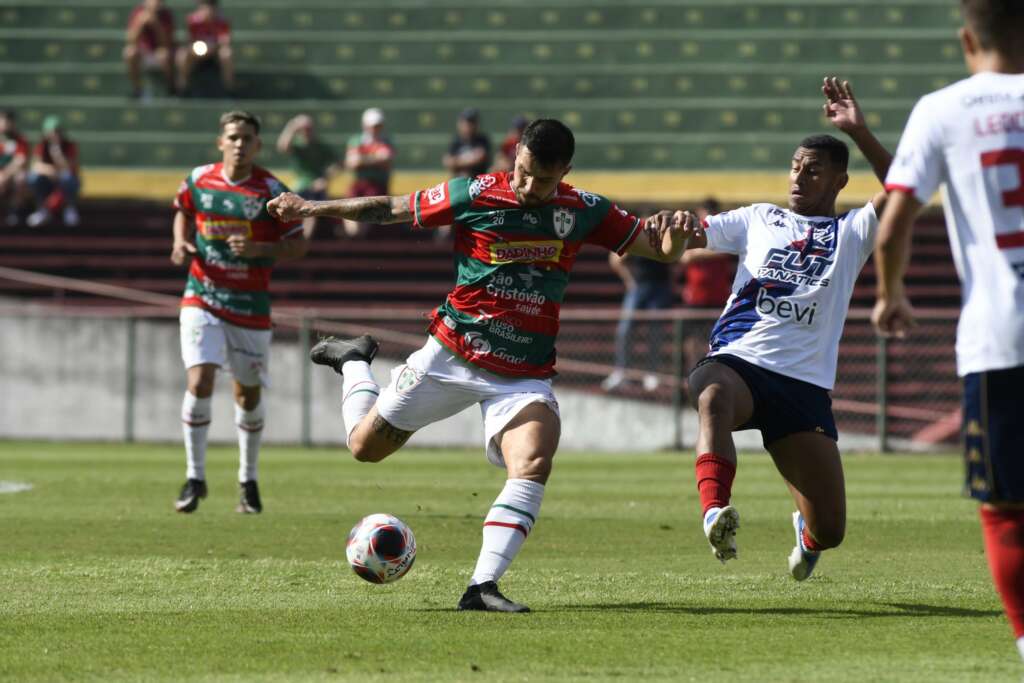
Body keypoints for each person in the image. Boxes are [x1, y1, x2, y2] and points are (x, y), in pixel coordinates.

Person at [266, 119, 698, 611]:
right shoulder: (474, 193)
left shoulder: (583, 210)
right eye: (524, 172)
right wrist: (310, 207)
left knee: (534, 461)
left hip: (523, 375)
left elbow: (658, 250)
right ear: (515, 156)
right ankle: (353, 363)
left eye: (544, 180)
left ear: (566, 172)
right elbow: (391, 207)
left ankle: (481, 588)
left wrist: (677, 236)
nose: (530, 187)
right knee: (364, 448)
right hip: (452, 354)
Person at [687, 77, 892, 581]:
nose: (799, 177)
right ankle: (715, 511)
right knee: (712, 393)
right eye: (796, 167)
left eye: (814, 169)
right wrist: (656, 231)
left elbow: (904, 184)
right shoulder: (760, 218)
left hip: (802, 385)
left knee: (832, 530)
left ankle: (807, 531)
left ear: (840, 181)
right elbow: (694, 235)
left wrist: (860, 131)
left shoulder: (852, 232)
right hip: (740, 361)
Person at [872, 0, 1024, 662]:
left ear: (967, 39)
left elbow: (893, 225)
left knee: (1006, 507)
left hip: (1000, 337)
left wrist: (890, 294)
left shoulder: (943, 109)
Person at [169, 110, 308, 515]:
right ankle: (195, 478)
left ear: (257, 145)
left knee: (246, 394)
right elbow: (182, 210)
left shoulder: (272, 190)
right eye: (232, 137)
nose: (239, 144)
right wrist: (180, 244)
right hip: (203, 296)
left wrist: (262, 249)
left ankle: (248, 480)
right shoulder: (199, 179)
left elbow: (299, 245)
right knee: (200, 379)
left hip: (249, 306)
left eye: (247, 138)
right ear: (220, 142)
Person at [602, 241, 676, 392]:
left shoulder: (665, 238)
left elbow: (677, 260)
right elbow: (616, 260)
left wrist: (672, 281)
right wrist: (629, 280)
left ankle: (653, 373)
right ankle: (622, 372)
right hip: (639, 287)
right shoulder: (637, 237)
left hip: (659, 288)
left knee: (656, 330)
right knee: (625, 329)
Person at [679, 198, 737, 373]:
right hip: (696, 298)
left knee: (716, 340)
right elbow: (685, 257)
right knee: (692, 340)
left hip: (718, 298)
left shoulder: (725, 234)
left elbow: (728, 251)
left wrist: (700, 253)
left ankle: (710, 372)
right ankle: (691, 372)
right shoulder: (692, 234)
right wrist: (711, 251)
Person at [276, 114, 340, 238]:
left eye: (309, 128)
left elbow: (338, 164)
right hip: (301, 186)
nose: (307, 132)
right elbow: (283, 147)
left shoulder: (321, 146)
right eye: (304, 129)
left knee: (312, 212)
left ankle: (304, 242)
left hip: (317, 188)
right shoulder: (298, 145)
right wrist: (292, 127)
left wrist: (325, 178)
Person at [341, 107, 394, 237]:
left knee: (370, 203)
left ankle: (359, 236)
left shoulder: (385, 141)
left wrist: (362, 159)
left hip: (377, 186)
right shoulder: (356, 140)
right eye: (373, 126)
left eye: (378, 126)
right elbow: (351, 163)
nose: (375, 129)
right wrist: (375, 158)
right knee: (347, 203)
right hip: (359, 185)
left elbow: (386, 160)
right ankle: (354, 235)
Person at [26, 116, 81, 228]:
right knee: (34, 178)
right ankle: (42, 210)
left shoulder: (69, 145)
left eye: (56, 131)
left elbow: (70, 168)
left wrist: (57, 153)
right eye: (51, 131)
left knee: (68, 178)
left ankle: (69, 209)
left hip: (64, 181)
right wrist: (53, 171)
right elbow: (35, 166)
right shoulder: (42, 145)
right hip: (48, 179)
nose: (54, 134)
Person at [176, 0, 234, 95]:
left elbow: (225, 41)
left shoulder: (221, 21)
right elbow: (188, 41)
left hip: (215, 53)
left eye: (210, 8)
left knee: (226, 54)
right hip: (196, 52)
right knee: (182, 54)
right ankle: (183, 88)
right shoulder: (192, 21)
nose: (208, 11)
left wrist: (213, 48)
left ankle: (229, 89)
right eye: (204, 8)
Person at [123, 0, 176, 98]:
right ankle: (137, 89)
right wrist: (140, 23)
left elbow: (166, 43)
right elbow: (131, 40)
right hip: (143, 53)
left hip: (158, 53)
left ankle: (171, 87)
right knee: (129, 52)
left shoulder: (166, 15)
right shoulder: (137, 12)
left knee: (163, 55)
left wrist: (156, 25)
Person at [0, 110, 30, 227]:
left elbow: (21, 161)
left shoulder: (20, 139)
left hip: (12, 174)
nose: (5, 124)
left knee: (21, 178)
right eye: (2, 121)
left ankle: (15, 211)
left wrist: (5, 174)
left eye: (8, 121)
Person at [443, 108, 492, 178]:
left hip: (477, 181)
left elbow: (480, 158)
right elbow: (448, 161)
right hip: (458, 181)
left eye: (471, 123)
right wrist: (470, 159)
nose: (468, 126)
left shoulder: (482, 140)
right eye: (465, 122)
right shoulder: (456, 141)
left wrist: (457, 161)